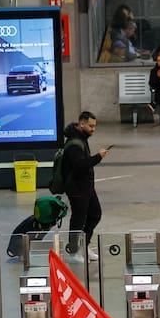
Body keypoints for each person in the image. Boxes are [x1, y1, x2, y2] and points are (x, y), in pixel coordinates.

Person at [62, 111, 110, 262]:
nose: (93, 129)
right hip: (77, 187)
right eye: (90, 126)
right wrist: (98, 157)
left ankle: (84, 244)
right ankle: (73, 251)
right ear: (81, 124)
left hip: (86, 186)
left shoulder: (82, 138)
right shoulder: (74, 143)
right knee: (78, 219)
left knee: (95, 214)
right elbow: (80, 166)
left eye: (94, 126)